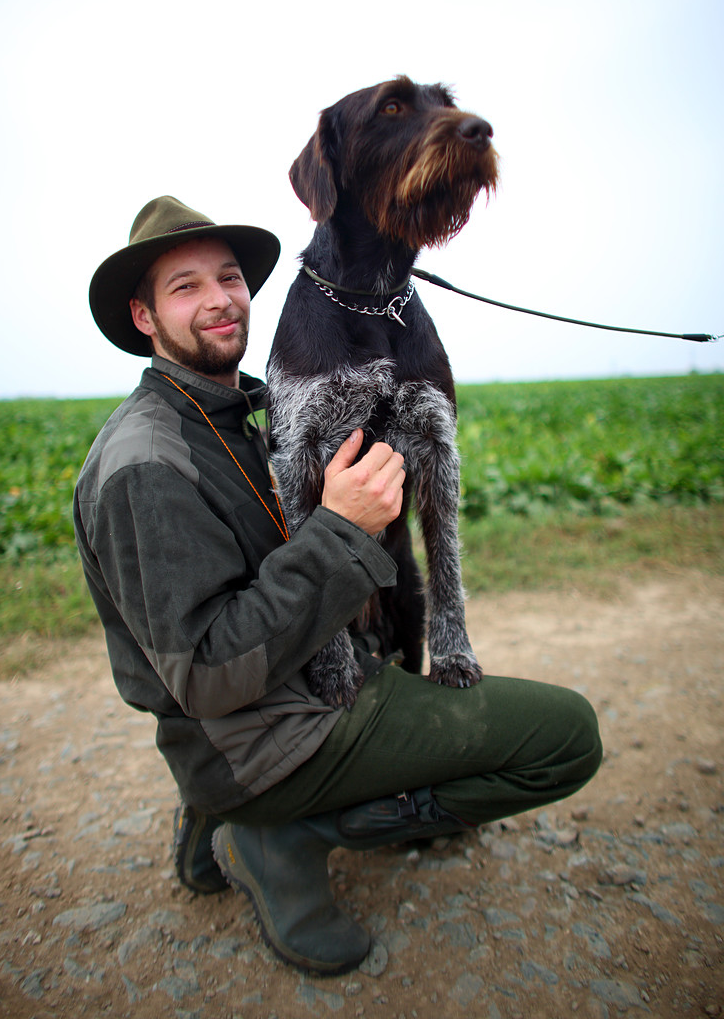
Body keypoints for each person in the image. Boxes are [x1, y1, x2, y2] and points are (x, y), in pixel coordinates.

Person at [75, 195, 602, 975]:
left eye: (228, 278)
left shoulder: (225, 416)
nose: (219, 299)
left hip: (275, 707)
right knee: (565, 737)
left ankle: (225, 809)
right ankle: (281, 833)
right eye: (184, 287)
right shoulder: (146, 464)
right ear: (144, 318)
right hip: (260, 734)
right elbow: (207, 671)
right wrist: (341, 528)